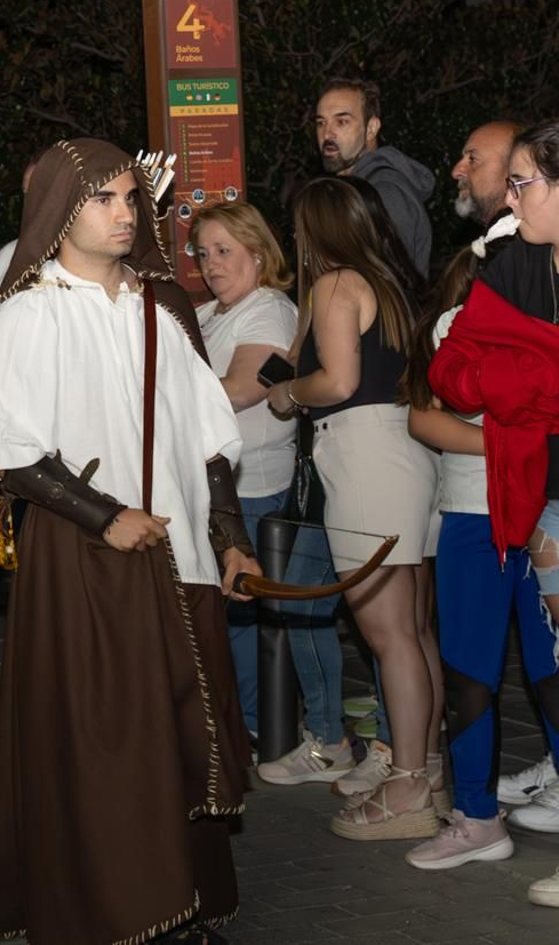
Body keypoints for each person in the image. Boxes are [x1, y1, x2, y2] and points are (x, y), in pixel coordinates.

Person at [0, 138, 256, 943]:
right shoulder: (30, 314)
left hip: (184, 557)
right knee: (109, 744)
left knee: (185, 735)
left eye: (132, 198)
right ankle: (118, 913)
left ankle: (186, 905)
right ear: (61, 208)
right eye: (105, 199)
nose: (126, 214)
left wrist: (231, 538)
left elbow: (211, 440)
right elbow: (6, 449)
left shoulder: (162, 307)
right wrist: (103, 515)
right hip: (87, 559)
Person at [266, 176, 442, 839]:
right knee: (415, 632)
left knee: (389, 637)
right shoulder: (396, 286)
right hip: (409, 452)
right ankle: (426, 771)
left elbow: (337, 380)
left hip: (367, 457)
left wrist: (288, 394)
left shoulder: (337, 284)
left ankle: (407, 788)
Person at [431, 117, 559, 905]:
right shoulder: (516, 264)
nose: (509, 198)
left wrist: (522, 391)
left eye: (523, 182)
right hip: (539, 500)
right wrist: (528, 391)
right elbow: (450, 376)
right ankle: (476, 813)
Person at [189, 202, 351, 780]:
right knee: (230, 614)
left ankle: (273, 726)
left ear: (259, 253)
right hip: (213, 488)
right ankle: (242, 719)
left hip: (257, 487)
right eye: (203, 253)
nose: (211, 264)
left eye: (224, 250)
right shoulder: (205, 313)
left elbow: (239, 391)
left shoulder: (269, 311)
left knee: (259, 614)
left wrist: (160, 394)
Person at [400, 232, 540, 872]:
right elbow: (424, 416)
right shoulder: (457, 324)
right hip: (474, 515)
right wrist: (511, 449)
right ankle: (478, 816)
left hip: (543, 517)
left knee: (550, 671)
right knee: (470, 673)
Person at [314, 78, 435, 278]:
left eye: (341, 122)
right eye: (321, 123)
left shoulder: (385, 193)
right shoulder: (347, 190)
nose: (327, 134)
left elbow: (392, 282)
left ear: (371, 128)